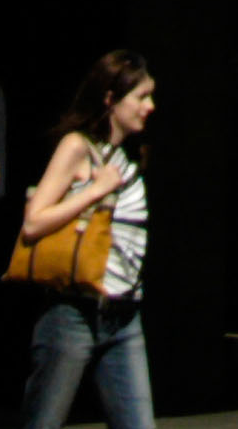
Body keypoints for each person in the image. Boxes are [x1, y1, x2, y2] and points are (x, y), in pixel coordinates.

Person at [12, 53, 161, 429]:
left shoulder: (131, 155)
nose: (150, 106)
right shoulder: (78, 147)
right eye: (141, 97)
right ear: (110, 98)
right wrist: (95, 191)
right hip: (74, 314)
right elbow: (32, 223)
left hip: (124, 315)